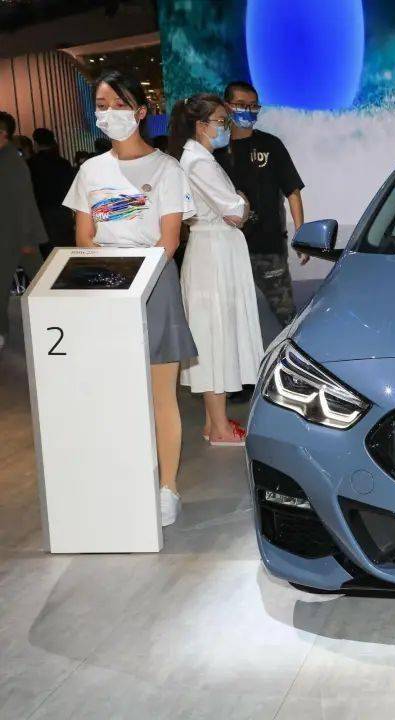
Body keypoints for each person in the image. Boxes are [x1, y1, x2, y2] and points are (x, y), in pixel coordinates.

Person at [62, 71, 198, 526]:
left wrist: (135, 279)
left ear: (140, 112)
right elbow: (84, 236)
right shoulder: (90, 171)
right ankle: (121, 481)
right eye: (102, 106)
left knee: (161, 394)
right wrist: (107, 279)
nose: (109, 114)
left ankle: (167, 488)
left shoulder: (167, 169)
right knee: (112, 395)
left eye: (119, 105)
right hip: (103, 289)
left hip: (154, 286)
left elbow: (169, 238)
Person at [168, 93, 261, 447]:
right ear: (201, 125)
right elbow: (236, 211)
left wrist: (238, 203)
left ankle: (214, 422)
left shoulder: (199, 158)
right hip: (214, 254)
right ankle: (219, 427)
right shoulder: (199, 163)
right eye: (221, 122)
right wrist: (243, 201)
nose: (226, 127)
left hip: (215, 250)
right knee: (214, 335)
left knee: (215, 333)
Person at [216, 80, 306, 328]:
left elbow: (292, 190)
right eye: (241, 105)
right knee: (231, 320)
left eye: (253, 105)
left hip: (268, 247)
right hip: (227, 248)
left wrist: (301, 233)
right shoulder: (215, 151)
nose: (248, 110)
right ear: (226, 106)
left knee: (286, 315)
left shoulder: (271, 145)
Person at [0, 111, 48, 352]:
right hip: (13, 235)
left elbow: (24, 202)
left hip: (15, 236)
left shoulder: (12, 162)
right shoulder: (9, 159)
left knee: (40, 282)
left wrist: (27, 237)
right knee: (40, 281)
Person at [28, 128, 76, 257]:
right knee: (66, 249)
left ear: (36, 143)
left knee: (49, 252)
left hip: (43, 213)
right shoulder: (63, 163)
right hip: (63, 211)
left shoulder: (31, 164)